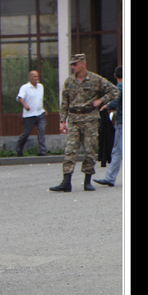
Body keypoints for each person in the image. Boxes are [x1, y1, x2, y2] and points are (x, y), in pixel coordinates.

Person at [49, 54, 119, 192]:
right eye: (72, 65)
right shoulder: (69, 81)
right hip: (74, 119)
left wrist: (102, 100)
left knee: (90, 150)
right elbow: (64, 103)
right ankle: (66, 181)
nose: (73, 67)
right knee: (70, 150)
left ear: (83, 64)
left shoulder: (95, 79)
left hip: (89, 119)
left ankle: (87, 181)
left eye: (75, 64)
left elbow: (114, 91)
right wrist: (63, 121)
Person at [101, 66, 125, 187]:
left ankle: (110, 178)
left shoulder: (120, 87)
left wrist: (106, 106)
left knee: (117, 151)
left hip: (122, 122)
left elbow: (115, 102)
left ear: (115, 76)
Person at [15, 69, 47, 156]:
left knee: (41, 130)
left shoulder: (41, 86)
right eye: (34, 76)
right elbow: (19, 97)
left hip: (39, 113)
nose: (37, 78)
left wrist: (43, 108)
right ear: (30, 77)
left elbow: (40, 98)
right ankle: (19, 148)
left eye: (37, 76)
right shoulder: (25, 87)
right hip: (29, 115)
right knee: (26, 134)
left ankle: (42, 151)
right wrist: (25, 105)